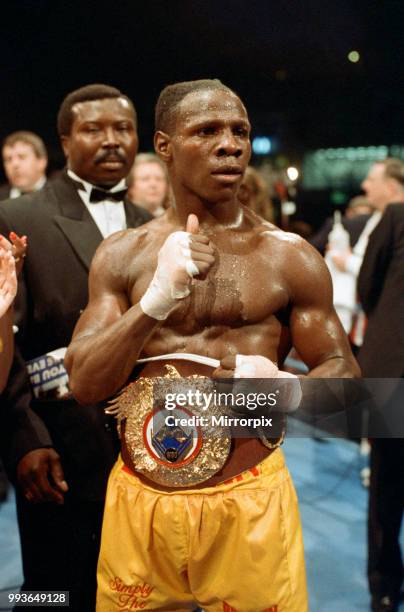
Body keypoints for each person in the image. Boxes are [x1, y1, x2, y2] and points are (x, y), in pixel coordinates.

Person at [66, 79, 359, 612]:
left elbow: (348, 384)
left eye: (240, 131)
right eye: (207, 131)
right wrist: (152, 303)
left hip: (249, 501)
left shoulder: (289, 256)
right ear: (164, 145)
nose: (231, 144)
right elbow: (85, 383)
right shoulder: (122, 254)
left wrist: (287, 390)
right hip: (140, 502)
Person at [0, 83, 152, 610]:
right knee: (51, 595)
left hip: (147, 453)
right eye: (94, 129)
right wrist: (24, 439)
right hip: (57, 449)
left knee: (140, 593)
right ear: (65, 141)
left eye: (123, 128)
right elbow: (5, 341)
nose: (112, 141)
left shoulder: (155, 227)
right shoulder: (19, 217)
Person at [358, 192, 404, 611]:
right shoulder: (396, 215)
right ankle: (384, 585)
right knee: (388, 482)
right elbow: (366, 287)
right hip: (396, 373)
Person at [0, 131, 48, 200]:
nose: (15, 164)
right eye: (8, 159)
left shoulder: (59, 196)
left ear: (42, 162)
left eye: (22, 157)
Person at [127, 152, 170, 216]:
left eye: (159, 179)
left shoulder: (176, 222)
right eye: (145, 179)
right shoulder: (120, 219)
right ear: (130, 186)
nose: (153, 184)